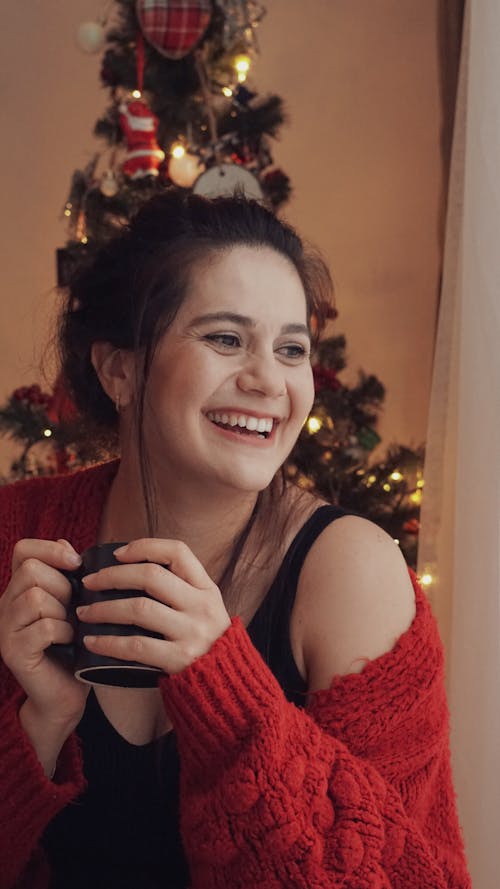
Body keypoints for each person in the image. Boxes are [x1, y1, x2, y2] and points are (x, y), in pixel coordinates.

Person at [0, 190, 470, 889]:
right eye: (226, 338)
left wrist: (225, 692)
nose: (268, 381)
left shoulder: (351, 573)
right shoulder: (18, 535)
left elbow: (411, 877)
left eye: (291, 349)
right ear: (119, 368)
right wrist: (37, 726)